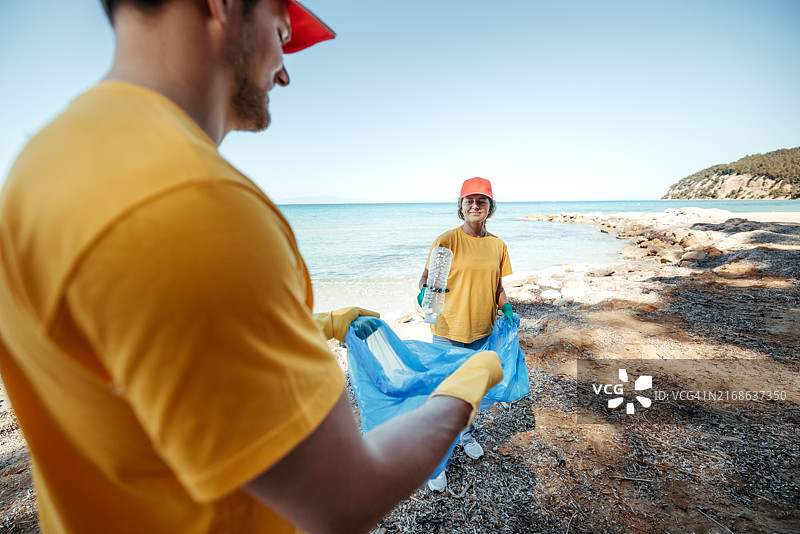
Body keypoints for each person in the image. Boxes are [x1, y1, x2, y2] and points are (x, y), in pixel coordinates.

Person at [0, 1, 504, 533]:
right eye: (281, 33)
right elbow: (344, 497)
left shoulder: (37, 169)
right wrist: (464, 385)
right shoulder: (192, 202)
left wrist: (319, 325)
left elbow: (147, 368)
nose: (284, 71)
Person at [417, 176, 514, 492]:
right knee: (444, 398)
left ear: (490, 207)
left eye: (481, 200)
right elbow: (427, 280)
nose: (475, 205)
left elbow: (497, 287)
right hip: (447, 330)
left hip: (480, 333)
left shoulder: (498, 246)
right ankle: (436, 460)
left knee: (471, 393)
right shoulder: (446, 240)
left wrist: (507, 307)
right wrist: (423, 295)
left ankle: (466, 436)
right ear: (460, 207)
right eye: (469, 200)